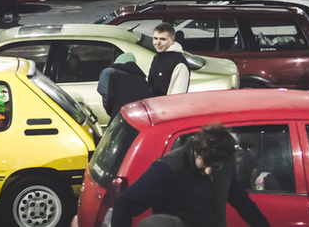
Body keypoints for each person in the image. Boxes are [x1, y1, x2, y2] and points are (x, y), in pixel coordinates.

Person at [111, 123, 271, 227]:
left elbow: (239, 199)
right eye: (204, 166)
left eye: (215, 167)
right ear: (197, 150)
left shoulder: (224, 160)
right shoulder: (168, 169)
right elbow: (123, 204)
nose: (209, 172)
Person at [97, 52, 151, 118]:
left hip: (120, 115)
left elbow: (106, 96)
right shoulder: (140, 77)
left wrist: (112, 112)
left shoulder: (108, 73)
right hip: (139, 116)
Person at [148, 23, 189, 96]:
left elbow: (176, 97)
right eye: (155, 38)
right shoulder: (158, 56)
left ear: (172, 40)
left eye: (162, 39)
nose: (158, 43)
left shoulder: (179, 64)